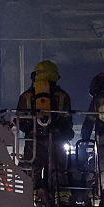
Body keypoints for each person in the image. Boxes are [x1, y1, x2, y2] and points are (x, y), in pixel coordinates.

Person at [16, 59, 74, 193]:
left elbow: (19, 122)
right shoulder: (63, 96)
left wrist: (32, 129)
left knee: (30, 174)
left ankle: (31, 201)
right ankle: (60, 203)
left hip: (34, 142)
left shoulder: (26, 96)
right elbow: (67, 122)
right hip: (58, 142)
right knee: (58, 175)